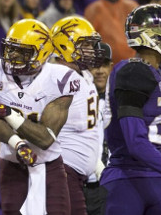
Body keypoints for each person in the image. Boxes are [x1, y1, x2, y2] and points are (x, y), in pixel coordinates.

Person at [0, 18, 81, 214]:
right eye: (11, 49)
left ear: (41, 53)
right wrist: (17, 143)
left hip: (49, 165)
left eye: (22, 51)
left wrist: (8, 112)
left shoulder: (59, 79)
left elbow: (46, 138)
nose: (13, 56)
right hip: (11, 164)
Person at [101, 3, 161, 215]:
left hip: (155, 177)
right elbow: (135, 143)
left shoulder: (157, 74)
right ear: (153, 36)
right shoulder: (134, 71)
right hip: (128, 178)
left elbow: (158, 136)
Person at [49, 16, 104, 215]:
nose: (91, 50)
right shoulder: (53, 76)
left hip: (80, 175)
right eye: (85, 45)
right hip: (62, 170)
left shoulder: (85, 75)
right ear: (65, 46)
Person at [84, 42, 113, 215]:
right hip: (80, 184)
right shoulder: (74, 100)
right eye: (94, 65)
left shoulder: (120, 100)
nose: (99, 70)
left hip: (110, 185)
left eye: (103, 64)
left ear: (111, 66)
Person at [84, 0, 138, 65]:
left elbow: (140, 33)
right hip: (106, 64)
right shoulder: (94, 9)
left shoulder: (132, 6)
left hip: (133, 61)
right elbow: (88, 38)